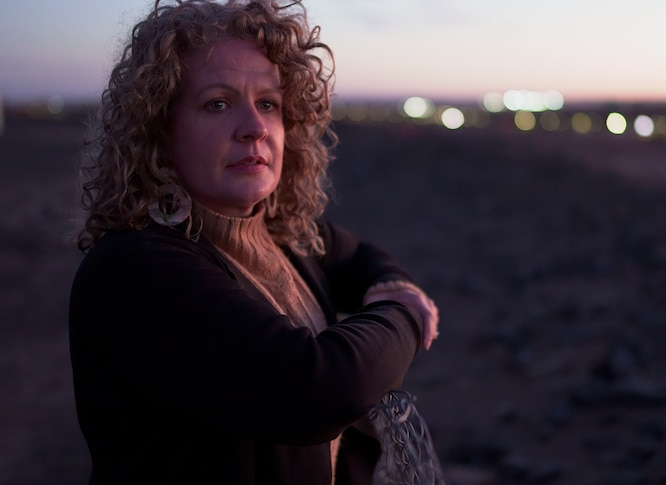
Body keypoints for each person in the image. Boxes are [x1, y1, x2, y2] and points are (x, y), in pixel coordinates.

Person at [68, 1, 440, 484]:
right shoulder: (134, 269)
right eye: (218, 104)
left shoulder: (279, 232)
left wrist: (390, 281)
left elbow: (359, 256)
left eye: (268, 103)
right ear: (159, 130)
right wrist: (406, 313)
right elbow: (319, 389)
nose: (255, 128)